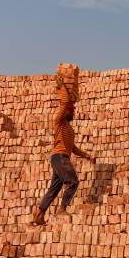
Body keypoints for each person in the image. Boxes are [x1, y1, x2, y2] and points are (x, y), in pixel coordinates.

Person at [33, 76, 95, 225]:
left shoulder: (70, 130)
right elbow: (65, 102)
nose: (73, 114)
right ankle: (62, 208)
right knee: (73, 181)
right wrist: (62, 88)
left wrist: (87, 156)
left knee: (54, 188)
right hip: (59, 157)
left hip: (60, 158)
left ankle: (39, 214)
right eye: (71, 112)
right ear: (66, 112)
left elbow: (73, 148)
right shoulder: (59, 122)